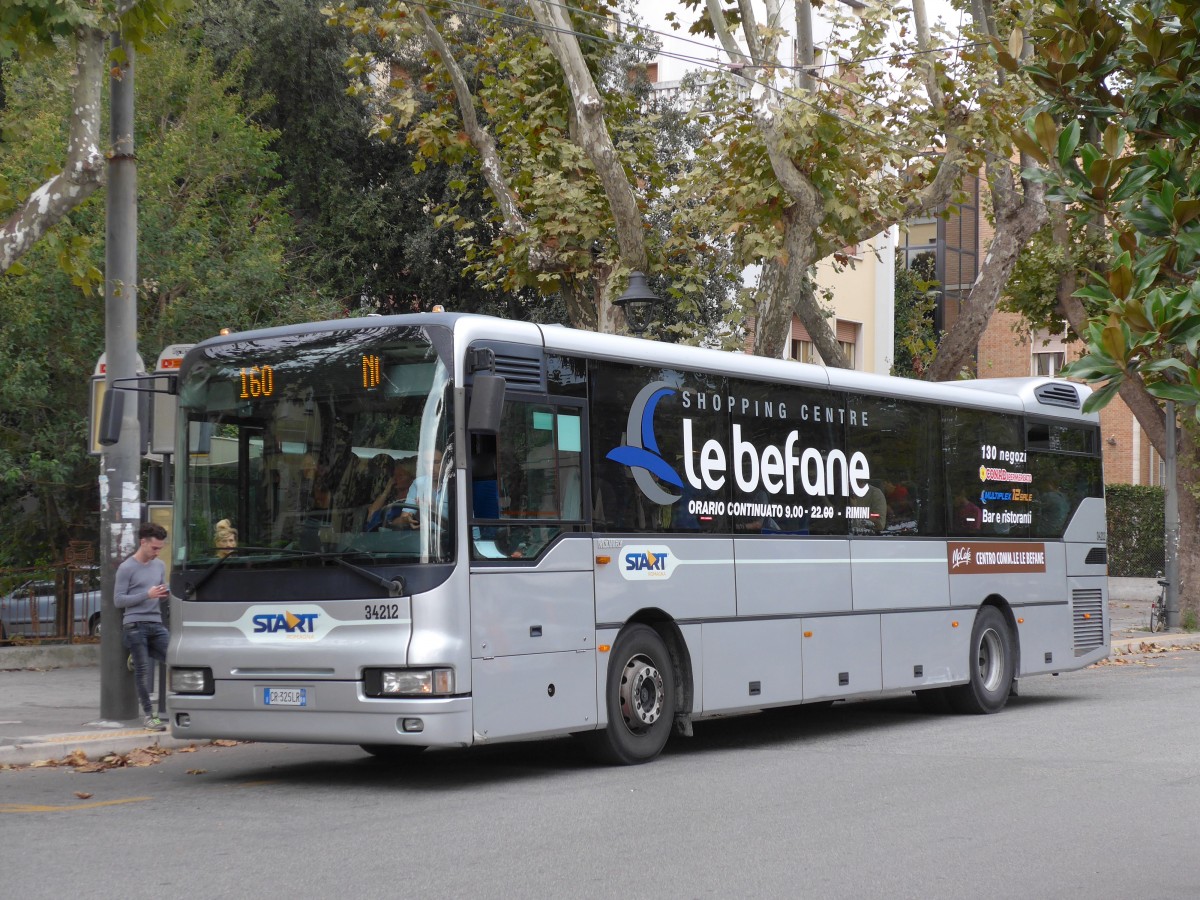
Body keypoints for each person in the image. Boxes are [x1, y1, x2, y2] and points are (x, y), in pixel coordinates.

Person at [115, 522, 170, 731]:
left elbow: (160, 592)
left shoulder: (160, 566)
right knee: (143, 670)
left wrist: (163, 594)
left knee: (176, 659)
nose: (157, 552)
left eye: (160, 548)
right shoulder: (127, 568)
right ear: (143, 542)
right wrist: (147, 595)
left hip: (156, 622)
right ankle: (149, 716)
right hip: (135, 623)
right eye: (154, 548)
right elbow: (119, 600)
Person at [365, 457, 417, 531]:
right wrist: (386, 491)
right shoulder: (391, 496)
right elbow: (370, 515)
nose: (395, 478)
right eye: (394, 475)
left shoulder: (414, 499)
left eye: (400, 475)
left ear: (412, 478)